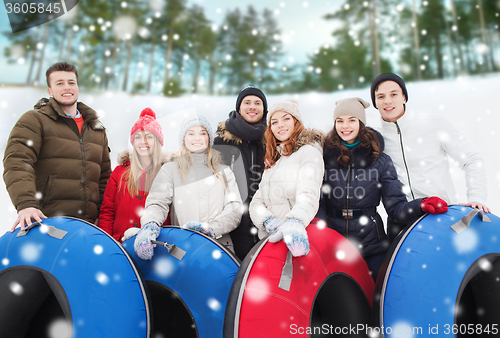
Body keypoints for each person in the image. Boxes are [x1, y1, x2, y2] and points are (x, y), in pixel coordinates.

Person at [316, 97, 448, 281]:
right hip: (333, 245)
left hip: (372, 247)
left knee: (379, 298)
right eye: (340, 121)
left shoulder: (380, 160)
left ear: (361, 123)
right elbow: (318, 201)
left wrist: (421, 205)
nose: (345, 126)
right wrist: (322, 231)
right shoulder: (323, 158)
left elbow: (395, 208)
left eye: (352, 120)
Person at [370, 73, 490, 239]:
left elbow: (471, 160)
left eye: (394, 94)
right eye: (380, 96)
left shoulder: (433, 124)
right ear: (375, 102)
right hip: (402, 225)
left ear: (404, 97)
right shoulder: (375, 140)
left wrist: (476, 196)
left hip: (442, 215)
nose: (387, 101)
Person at [4, 62, 111, 231]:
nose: (66, 87)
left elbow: (104, 178)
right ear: (50, 91)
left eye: (71, 82)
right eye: (59, 83)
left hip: (88, 227)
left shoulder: (96, 128)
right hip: (46, 222)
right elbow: (17, 161)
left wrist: (102, 216)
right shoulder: (35, 120)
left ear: (77, 86)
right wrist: (26, 204)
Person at [134, 114, 243, 260]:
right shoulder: (170, 169)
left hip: (220, 246)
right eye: (191, 133)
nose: (197, 138)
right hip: (183, 248)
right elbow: (157, 203)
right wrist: (150, 224)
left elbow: (234, 209)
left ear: (209, 138)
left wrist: (211, 228)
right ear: (184, 139)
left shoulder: (224, 171)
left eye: (202, 133)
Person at [249, 99, 325, 257]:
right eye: (274, 122)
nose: (280, 125)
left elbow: (308, 194)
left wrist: (294, 221)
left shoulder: (309, 152)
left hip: (296, 239)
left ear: (296, 121)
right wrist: (268, 221)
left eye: (286, 118)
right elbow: (256, 202)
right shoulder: (274, 160)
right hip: (270, 243)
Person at [99, 108, 171, 242]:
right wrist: (107, 242)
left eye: (149, 136)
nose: (143, 141)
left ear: (157, 141)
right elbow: (107, 212)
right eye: (138, 137)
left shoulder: (167, 173)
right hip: (121, 245)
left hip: (155, 245)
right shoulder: (119, 172)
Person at [213, 85, 267, 261]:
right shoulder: (222, 141)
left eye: (257, 103)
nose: (252, 107)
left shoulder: (275, 140)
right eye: (247, 102)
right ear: (239, 108)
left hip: (267, 217)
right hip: (234, 222)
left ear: (264, 109)